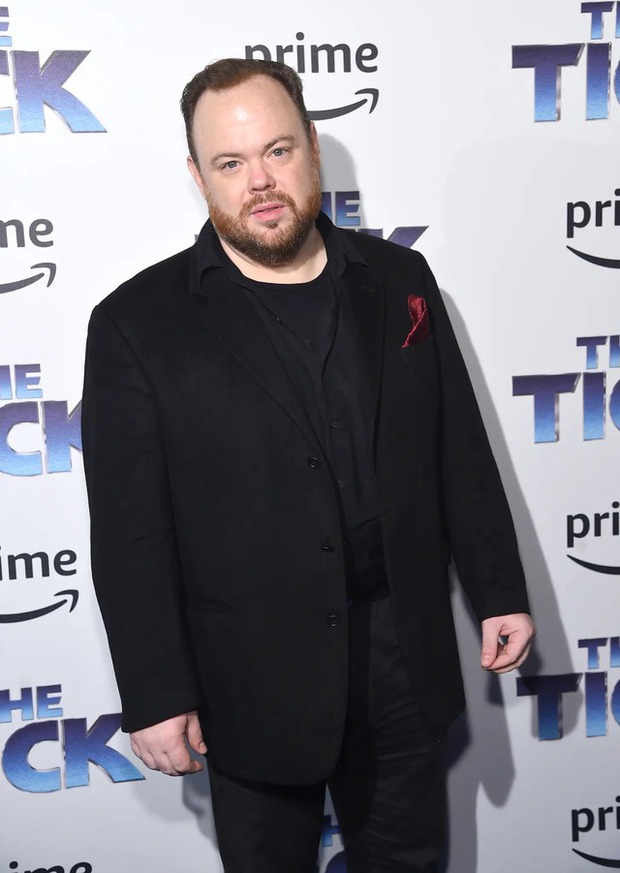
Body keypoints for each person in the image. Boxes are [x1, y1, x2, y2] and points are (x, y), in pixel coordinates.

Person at [82, 58, 534, 873]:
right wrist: (155, 692)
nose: (259, 180)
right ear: (198, 177)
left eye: (278, 151)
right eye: (230, 162)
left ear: (313, 149)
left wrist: (498, 588)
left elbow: (456, 446)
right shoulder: (135, 325)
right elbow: (129, 535)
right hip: (248, 679)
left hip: (403, 654)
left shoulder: (399, 278)